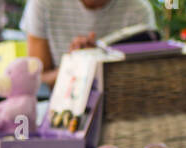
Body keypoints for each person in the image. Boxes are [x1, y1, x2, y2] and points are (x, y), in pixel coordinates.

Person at [22, 0, 157, 85]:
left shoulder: (138, 9)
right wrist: (75, 64)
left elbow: (144, 79)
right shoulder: (42, 4)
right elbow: (37, 80)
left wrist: (98, 61)